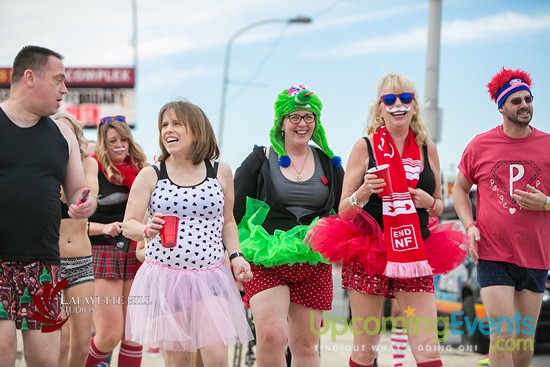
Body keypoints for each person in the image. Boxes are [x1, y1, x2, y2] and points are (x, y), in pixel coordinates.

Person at [311, 73, 467, 367]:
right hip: (370, 251)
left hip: (414, 251)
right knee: (366, 349)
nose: (398, 105)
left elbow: (438, 207)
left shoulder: (426, 147)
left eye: (405, 99)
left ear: (415, 107)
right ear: (380, 108)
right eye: (390, 99)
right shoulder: (364, 147)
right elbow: (344, 210)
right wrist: (364, 191)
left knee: (428, 349)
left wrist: (429, 201)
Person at [122, 100, 253, 367]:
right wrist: (146, 229)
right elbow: (128, 224)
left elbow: (228, 222)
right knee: (179, 361)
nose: (167, 130)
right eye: (164, 125)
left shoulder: (220, 171)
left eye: (176, 124)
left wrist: (237, 255)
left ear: (197, 129)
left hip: (211, 277)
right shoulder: (151, 174)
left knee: (216, 358)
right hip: (165, 280)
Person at [233, 84, 344, 367]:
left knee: (305, 344)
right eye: (294, 117)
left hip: (312, 260)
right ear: (281, 122)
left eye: (309, 117)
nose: (302, 123)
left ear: (316, 122)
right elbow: (231, 212)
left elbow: (346, 211)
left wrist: (327, 226)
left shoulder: (329, 164)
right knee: (271, 337)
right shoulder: (261, 159)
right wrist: (230, 254)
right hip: (266, 257)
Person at [0, 45, 97, 367]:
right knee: (2, 350)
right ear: (30, 77)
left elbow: (78, 191)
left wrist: (84, 203)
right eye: (58, 79)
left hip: (43, 264)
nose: (64, 89)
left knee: (46, 361)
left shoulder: (62, 135)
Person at [453, 67, 550, 367]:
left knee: (523, 340)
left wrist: (546, 202)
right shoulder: (480, 145)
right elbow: (459, 189)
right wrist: (469, 226)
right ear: (501, 106)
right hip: (494, 253)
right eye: (516, 101)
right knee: (502, 333)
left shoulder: (547, 145)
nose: (524, 105)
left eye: (528, 99)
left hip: (536, 254)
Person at [84, 115, 148, 367]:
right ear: (104, 143)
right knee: (109, 335)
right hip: (103, 255)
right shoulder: (92, 169)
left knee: (133, 336)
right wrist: (104, 227)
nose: (120, 144)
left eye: (124, 139)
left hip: (135, 254)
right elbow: (72, 222)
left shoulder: (143, 172)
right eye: (113, 140)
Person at [54, 112, 99, 367]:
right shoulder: (45, 166)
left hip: (81, 261)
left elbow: (88, 191)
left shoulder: (87, 163)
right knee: (58, 343)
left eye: (68, 132)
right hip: (51, 261)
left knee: (81, 343)